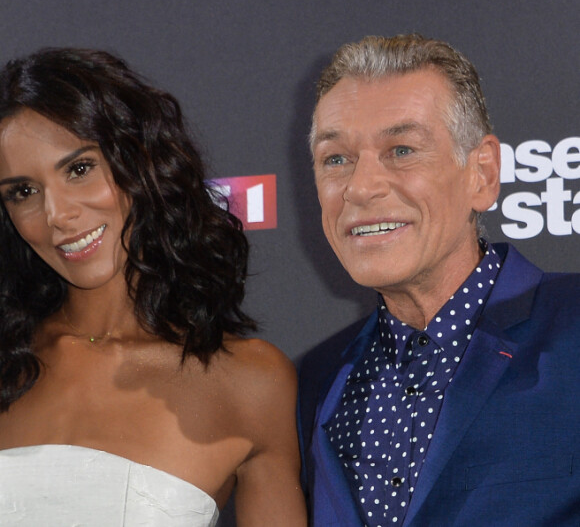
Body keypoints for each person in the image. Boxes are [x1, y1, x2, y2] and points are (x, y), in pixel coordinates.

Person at [0, 47, 307, 526]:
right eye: (23, 192)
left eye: (79, 170)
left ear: (138, 160)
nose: (57, 216)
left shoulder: (250, 383)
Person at [298, 34, 580, 526]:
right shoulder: (311, 384)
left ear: (482, 174)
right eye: (336, 159)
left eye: (402, 149)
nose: (360, 187)